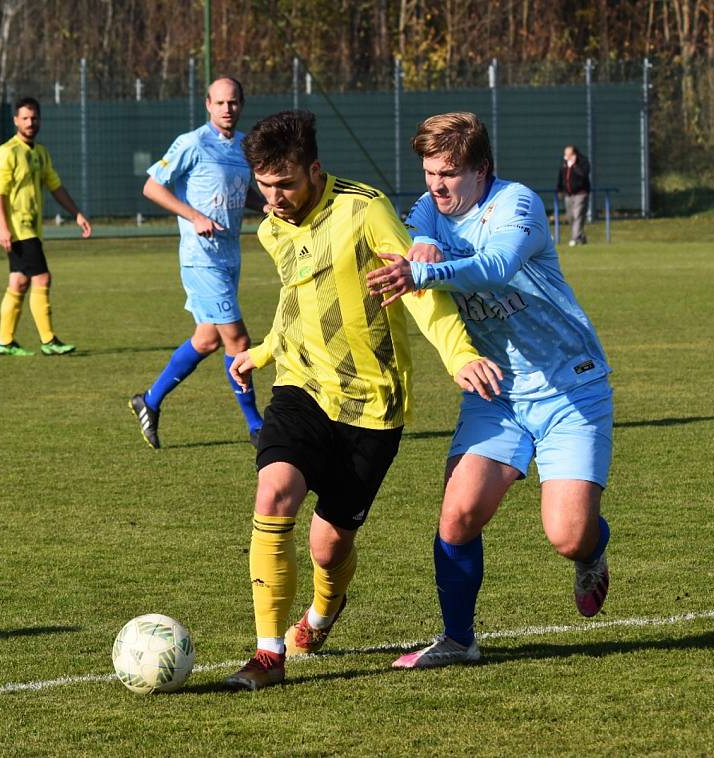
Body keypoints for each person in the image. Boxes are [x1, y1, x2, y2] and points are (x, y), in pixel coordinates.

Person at [222, 110, 502, 691]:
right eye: (264, 186)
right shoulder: (271, 229)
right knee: (273, 493)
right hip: (301, 388)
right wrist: (267, 351)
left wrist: (458, 356)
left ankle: (323, 611)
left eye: (286, 185)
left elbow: (416, 287)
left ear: (314, 170)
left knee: (329, 546)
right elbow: (298, 299)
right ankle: (267, 653)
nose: (273, 200)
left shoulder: (364, 208)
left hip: (372, 406)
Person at [366, 113, 613, 669]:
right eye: (429, 171)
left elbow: (497, 267)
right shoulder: (429, 206)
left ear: (482, 170)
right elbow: (422, 221)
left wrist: (422, 271)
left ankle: (593, 551)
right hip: (496, 393)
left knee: (568, 535)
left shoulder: (517, 205)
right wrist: (424, 241)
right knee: (457, 513)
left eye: (450, 172)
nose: (436, 184)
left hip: (569, 388)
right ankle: (458, 639)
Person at [129, 76, 265, 449]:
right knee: (237, 339)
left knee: (206, 340)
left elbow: (241, 190)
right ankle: (257, 426)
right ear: (207, 104)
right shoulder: (191, 143)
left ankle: (149, 401)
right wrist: (194, 217)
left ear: (242, 104)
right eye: (220, 103)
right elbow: (152, 186)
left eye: (233, 102)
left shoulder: (242, 146)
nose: (227, 109)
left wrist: (264, 205)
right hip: (200, 259)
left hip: (229, 257)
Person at [0, 96, 92, 357]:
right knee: (42, 278)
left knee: (19, 281)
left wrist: (76, 214)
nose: (30, 122)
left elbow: (55, 186)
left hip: (31, 229)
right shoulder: (8, 152)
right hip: (18, 229)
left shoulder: (40, 153)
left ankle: (5, 341)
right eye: (24, 118)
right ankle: (48, 340)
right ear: (15, 120)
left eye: (34, 118)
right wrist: (3, 227)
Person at [556, 144, 591, 247]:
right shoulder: (564, 164)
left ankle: (574, 238)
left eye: (569, 154)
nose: (566, 156)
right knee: (571, 217)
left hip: (581, 194)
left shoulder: (583, 162)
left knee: (578, 215)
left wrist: (575, 165)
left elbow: (584, 175)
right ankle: (581, 237)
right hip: (568, 195)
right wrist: (559, 190)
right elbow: (561, 177)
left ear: (574, 154)